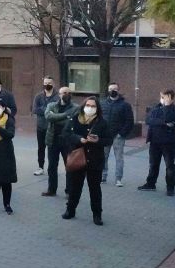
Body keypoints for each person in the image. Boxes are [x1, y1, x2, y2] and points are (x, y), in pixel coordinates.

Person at [62, 97, 111, 225]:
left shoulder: (102, 122)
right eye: (88, 105)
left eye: (93, 106)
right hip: (78, 158)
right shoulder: (75, 119)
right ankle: (70, 210)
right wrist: (79, 139)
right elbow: (66, 134)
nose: (90, 108)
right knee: (75, 187)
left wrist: (98, 140)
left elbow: (108, 140)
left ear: (97, 108)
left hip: (95, 160)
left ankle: (97, 215)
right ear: (83, 106)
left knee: (94, 189)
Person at [138, 89, 175, 196]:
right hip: (154, 142)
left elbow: (169, 118)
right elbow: (148, 120)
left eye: (164, 97)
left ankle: (170, 188)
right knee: (153, 164)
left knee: (169, 165)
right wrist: (163, 123)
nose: (162, 99)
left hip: (168, 143)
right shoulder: (156, 107)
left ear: (171, 98)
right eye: (161, 96)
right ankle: (151, 184)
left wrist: (166, 107)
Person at [42, 87, 79, 197]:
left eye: (68, 93)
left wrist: (57, 117)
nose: (66, 94)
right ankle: (52, 189)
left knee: (69, 166)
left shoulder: (76, 107)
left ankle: (69, 191)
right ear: (59, 94)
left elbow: (73, 120)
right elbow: (48, 116)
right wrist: (65, 115)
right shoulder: (51, 105)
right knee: (52, 166)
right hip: (53, 139)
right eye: (64, 93)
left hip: (68, 141)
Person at [100, 83, 134, 186]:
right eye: (110, 89)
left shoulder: (125, 105)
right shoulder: (102, 103)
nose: (112, 91)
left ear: (118, 90)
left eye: (114, 89)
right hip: (105, 135)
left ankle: (118, 179)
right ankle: (103, 177)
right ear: (108, 90)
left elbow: (129, 121)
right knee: (103, 157)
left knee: (119, 158)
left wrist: (122, 134)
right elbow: (98, 118)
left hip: (118, 136)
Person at [32, 76, 58, 176]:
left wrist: (44, 110)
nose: (47, 85)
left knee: (52, 148)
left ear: (53, 84)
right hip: (41, 127)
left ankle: (51, 168)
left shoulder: (57, 97)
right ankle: (40, 167)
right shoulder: (38, 96)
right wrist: (48, 110)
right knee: (41, 148)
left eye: (49, 83)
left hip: (53, 127)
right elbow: (35, 110)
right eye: (45, 83)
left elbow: (58, 110)